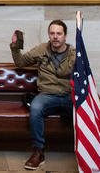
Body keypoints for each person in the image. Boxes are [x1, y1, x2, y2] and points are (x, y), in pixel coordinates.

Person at [10, 20, 76, 170]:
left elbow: (84, 76)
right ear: (49, 35)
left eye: (59, 33)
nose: (55, 37)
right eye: (52, 33)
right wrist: (15, 46)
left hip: (68, 95)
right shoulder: (42, 49)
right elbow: (20, 62)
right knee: (35, 107)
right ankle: (39, 152)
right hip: (47, 95)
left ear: (65, 36)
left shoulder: (74, 54)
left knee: (87, 109)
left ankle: (88, 149)